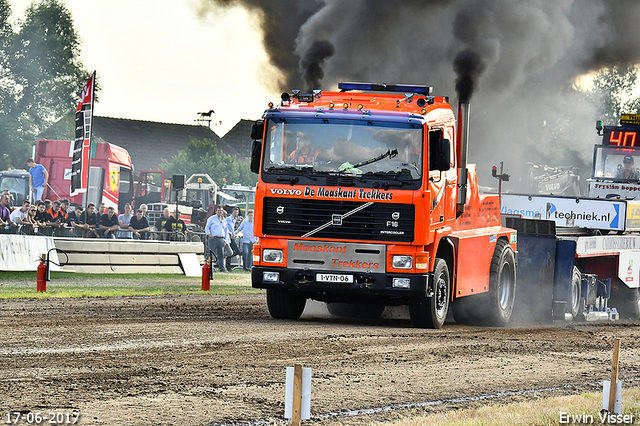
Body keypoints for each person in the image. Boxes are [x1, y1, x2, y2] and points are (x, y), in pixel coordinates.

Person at [205, 205, 228, 272]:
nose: (220, 212)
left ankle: (222, 268)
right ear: (216, 211)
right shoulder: (211, 218)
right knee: (211, 253)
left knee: (221, 254)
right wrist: (209, 234)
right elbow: (207, 227)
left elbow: (226, 230)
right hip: (213, 238)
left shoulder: (224, 220)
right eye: (218, 211)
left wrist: (226, 240)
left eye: (221, 211)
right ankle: (208, 266)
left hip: (221, 239)